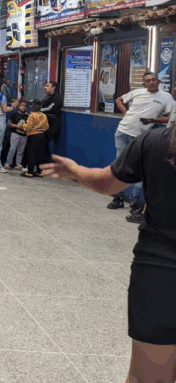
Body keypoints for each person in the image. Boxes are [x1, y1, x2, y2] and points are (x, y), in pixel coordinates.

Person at [42, 134, 176, 383]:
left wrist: (75, 171)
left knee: (148, 377)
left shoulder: (154, 142)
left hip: (160, 275)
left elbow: (107, 183)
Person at [107, 71, 173, 223]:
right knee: (120, 166)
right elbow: (119, 99)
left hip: (140, 137)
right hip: (122, 132)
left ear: (158, 81)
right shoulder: (137, 92)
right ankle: (118, 198)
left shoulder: (166, 97)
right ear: (144, 83)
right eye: (148, 80)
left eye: (153, 80)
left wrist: (154, 119)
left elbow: (171, 117)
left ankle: (135, 204)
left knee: (139, 169)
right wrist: (126, 113)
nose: (151, 82)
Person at [21, 99, 48, 178]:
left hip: (33, 136)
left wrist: (23, 126)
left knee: (31, 154)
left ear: (33, 106)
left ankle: (30, 172)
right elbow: (46, 127)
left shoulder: (32, 115)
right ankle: (39, 172)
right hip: (42, 136)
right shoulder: (44, 115)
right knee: (40, 154)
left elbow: (28, 127)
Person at [4, 99, 29, 171]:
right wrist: (16, 126)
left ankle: (18, 163)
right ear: (18, 106)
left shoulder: (28, 116)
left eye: (25, 106)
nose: (23, 108)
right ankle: (8, 163)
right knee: (12, 148)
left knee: (21, 150)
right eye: (22, 106)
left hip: (24, 135)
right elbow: (9, 123)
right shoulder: (14, 114)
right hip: (15, 133)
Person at [41, 81, 63, 154]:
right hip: (45, 122)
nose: (46, 88)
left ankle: (46, 162)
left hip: (53, 124)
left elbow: (50, 108)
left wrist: (38, 110)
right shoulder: (47, 97)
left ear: (53, 87)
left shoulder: (57, 97)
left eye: (48, 86)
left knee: (45, 141)